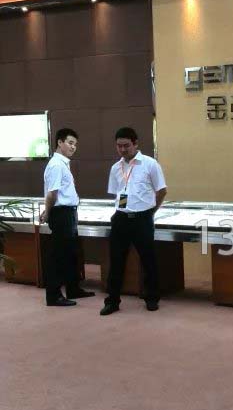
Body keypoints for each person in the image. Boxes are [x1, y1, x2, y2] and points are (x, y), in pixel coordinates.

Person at [100, 127, 167, 316]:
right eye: (119, 146)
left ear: (135, 144)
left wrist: (150, 211)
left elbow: (162, 191)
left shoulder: (150, 164)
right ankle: (112, 301)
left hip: (142, 219)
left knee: (148, 260)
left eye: (126, 145)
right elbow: (120, 192)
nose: (122, 149)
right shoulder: (116, 168)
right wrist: (124, 208)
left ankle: (151, 298)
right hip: (121, 218)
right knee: (116, 261)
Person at [41, 128, 95, 306]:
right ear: (60, 142)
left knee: (71, 253)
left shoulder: (63, 163)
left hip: (68, 212)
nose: (73, 147)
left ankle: (73, 288)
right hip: (61, 214)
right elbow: (52, 194)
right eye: (70, 143)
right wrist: (47, 212)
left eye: (75, 144)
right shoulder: (56, 165)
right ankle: (53, 295)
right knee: (59, 255)